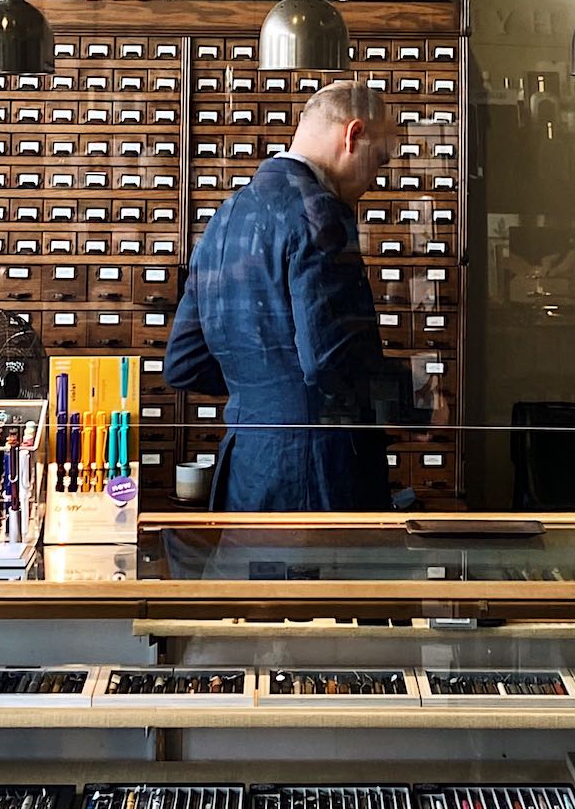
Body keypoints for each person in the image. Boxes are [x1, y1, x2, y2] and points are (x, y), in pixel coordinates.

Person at [165, 80, 407, 511]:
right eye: (379, 160)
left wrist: (267, 397)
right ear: (352, 136)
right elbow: (331, 362)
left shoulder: (225, 217)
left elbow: (184, 364)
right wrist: (418, 400)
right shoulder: (322, 213)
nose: (375, 179)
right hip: (318, 479)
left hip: (244, 474)